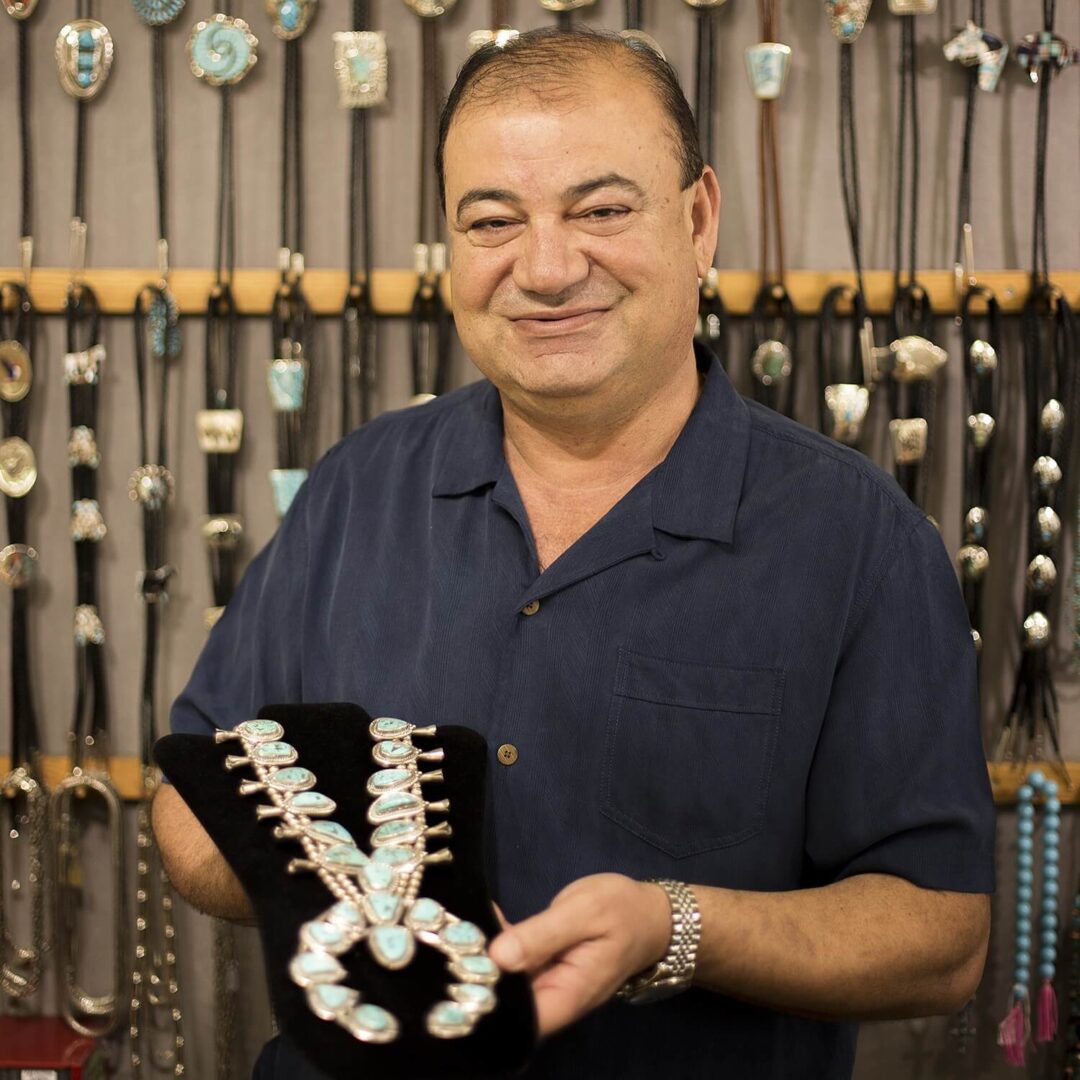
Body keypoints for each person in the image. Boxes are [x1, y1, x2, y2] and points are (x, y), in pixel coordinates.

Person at [155, 28, 995, 1079]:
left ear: (699, 220)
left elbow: (939, 936)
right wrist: (341, 883)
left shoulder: (862, 542)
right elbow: (189, 796)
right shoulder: (355, 487)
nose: (547, 269)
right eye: (493, 221)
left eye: (602, 210)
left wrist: (674, 929)